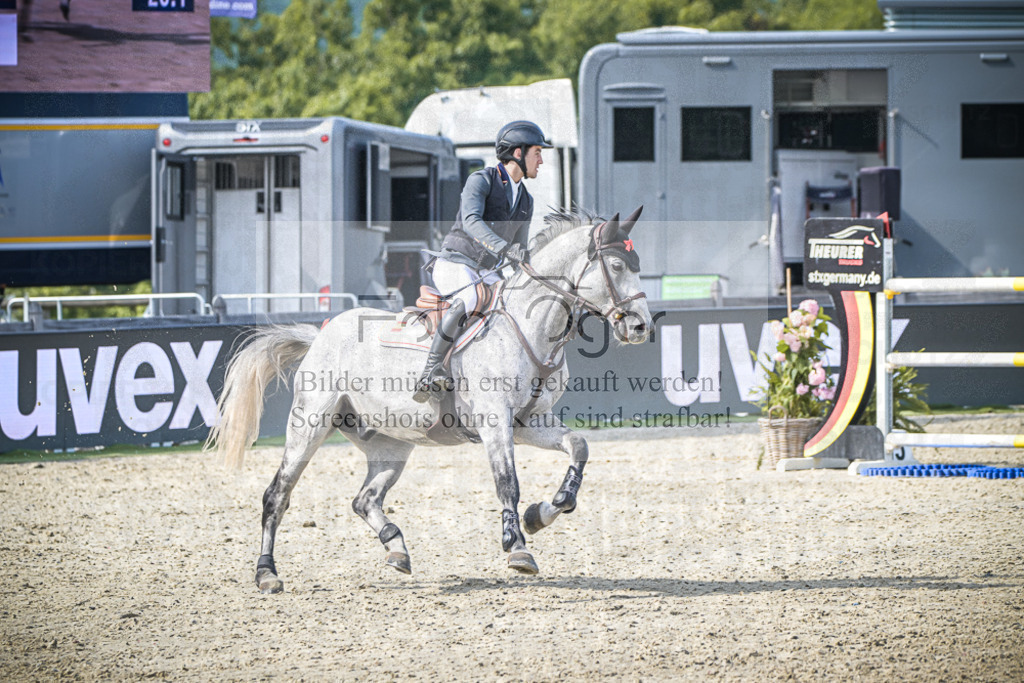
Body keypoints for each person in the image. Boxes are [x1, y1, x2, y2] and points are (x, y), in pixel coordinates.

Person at [412, 120, 552, 403]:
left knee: (513, 304)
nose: (541, 159)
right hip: (456, 262)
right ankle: (431, 369)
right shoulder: (481, 180)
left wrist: (531, 274)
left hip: (486, 269)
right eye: (537, 152)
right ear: (517, 154)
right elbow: (472, 221)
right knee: (473, 298)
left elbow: (519, 248)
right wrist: (504, 249)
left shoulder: (526, 199)